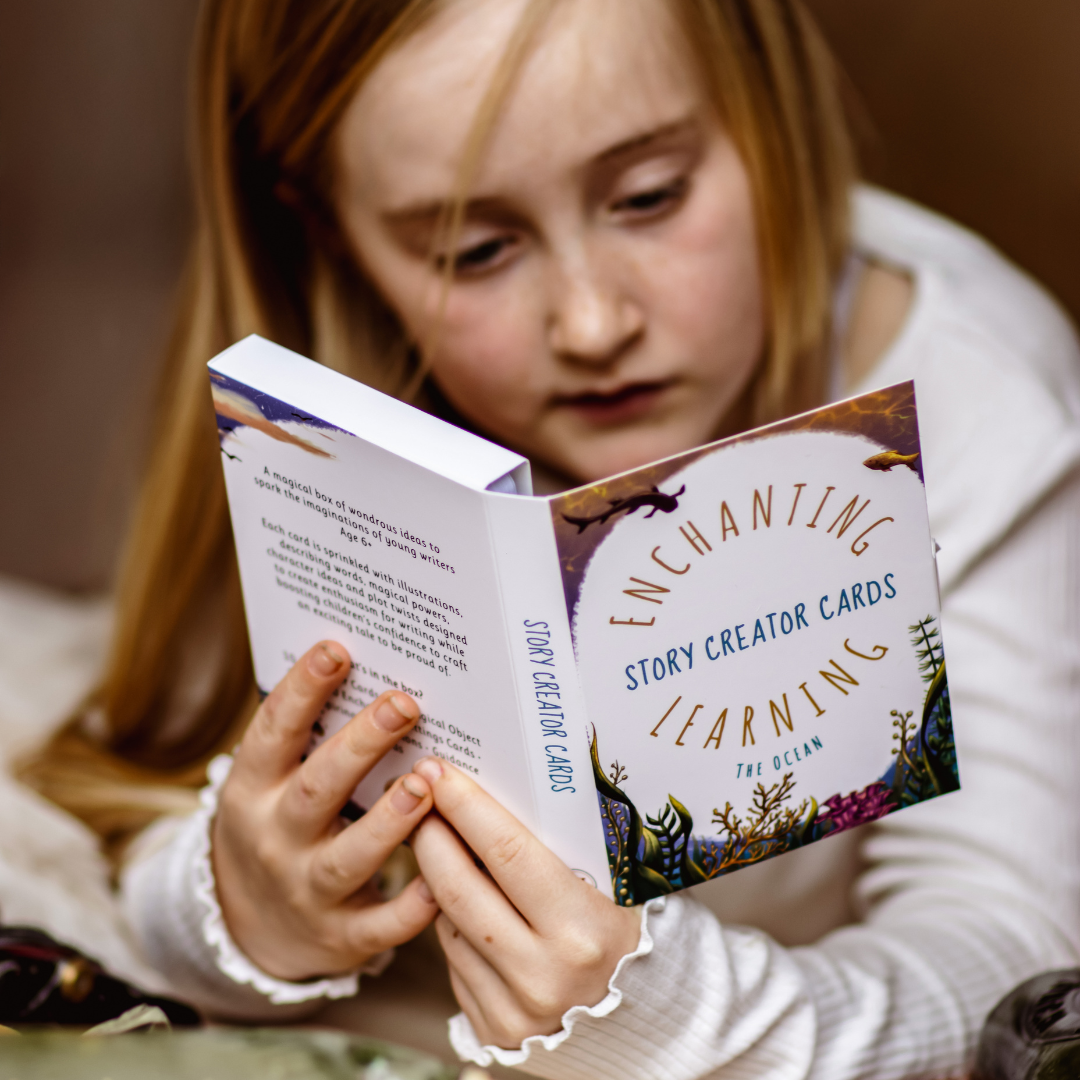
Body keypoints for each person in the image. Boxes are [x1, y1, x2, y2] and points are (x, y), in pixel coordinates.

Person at [18, 0, 1080, 1075]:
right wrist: (245, 911)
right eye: (473, 250)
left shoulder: (979, 400)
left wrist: (670, 1017)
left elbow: (1014, 966)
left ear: (778, 114)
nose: (591, 323)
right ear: (330, 231)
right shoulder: (321, 407)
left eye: (650, 197)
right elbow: (141, 807)